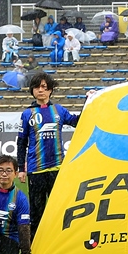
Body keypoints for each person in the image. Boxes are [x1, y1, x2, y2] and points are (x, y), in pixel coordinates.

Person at [17, 73, 81, 239]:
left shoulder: (59, 110)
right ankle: (35, 246)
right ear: (32, 90)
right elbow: (21, 142)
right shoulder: (27, 114)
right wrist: (21, 168)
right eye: (37, 87)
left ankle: (58, 243)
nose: (41, 90)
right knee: (36, 213)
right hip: (36, 171)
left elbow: (77, 122)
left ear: (50, 90)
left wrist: (90, 102)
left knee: (58, 210)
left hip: (57, 169)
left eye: (44, 87)